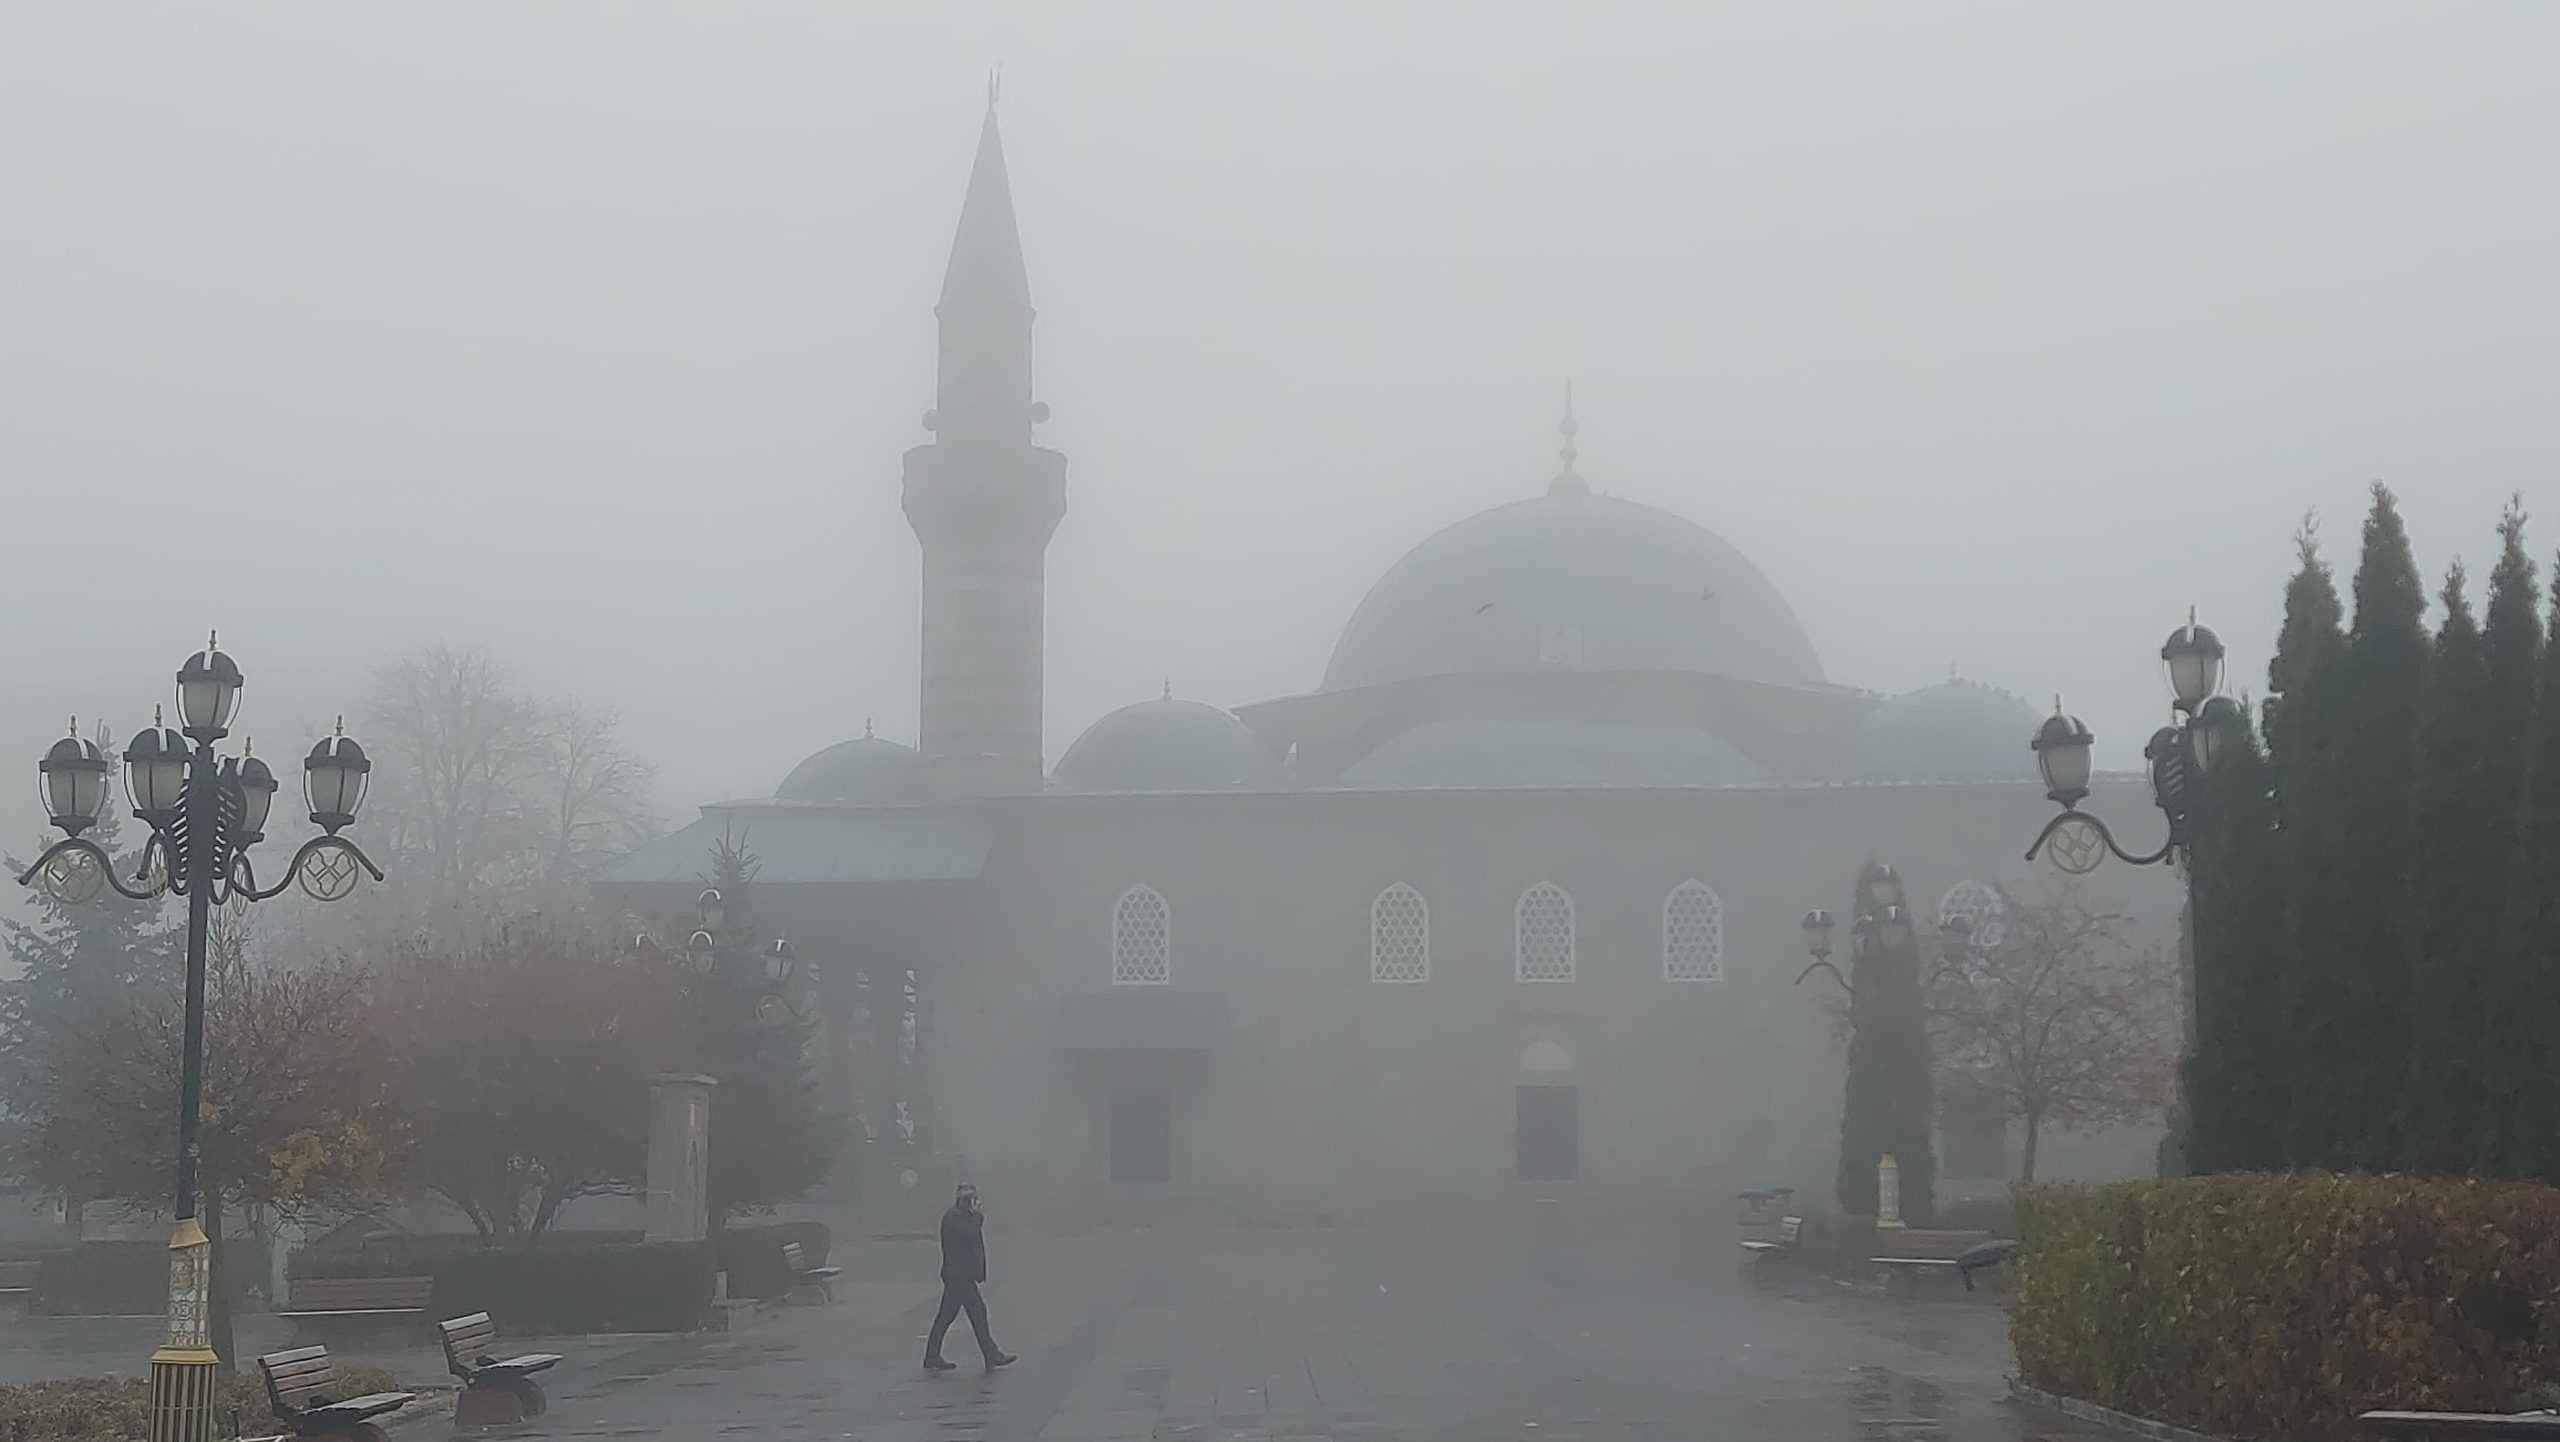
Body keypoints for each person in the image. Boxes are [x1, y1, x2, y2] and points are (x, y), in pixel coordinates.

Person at [925, 1182, 1014, 1372]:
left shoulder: (962, 1217)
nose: (974, 1203)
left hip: (959, 1276)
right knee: (978, 1313)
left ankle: (931, 1356)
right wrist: (978, 1219)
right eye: (971, 1199)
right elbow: (969, 1237)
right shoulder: (954, 1218)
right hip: (959, 1277)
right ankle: (991, 1355)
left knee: (945, 1317)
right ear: (963, 1200)